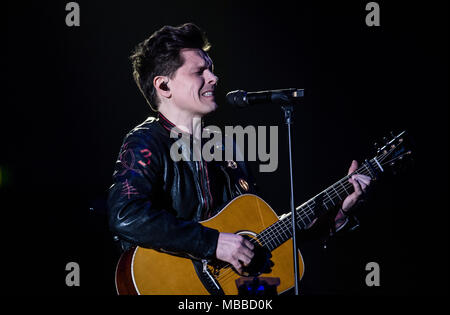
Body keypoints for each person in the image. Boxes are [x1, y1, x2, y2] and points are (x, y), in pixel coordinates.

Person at [107, 23, 371, 292]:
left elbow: (257, 237)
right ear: (164, 86)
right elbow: (125, 214)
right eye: (200, 71)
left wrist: (334, 216)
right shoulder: (146, 141)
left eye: (211, 68)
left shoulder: (224, 147)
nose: (213, 78)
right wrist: (213, 243)